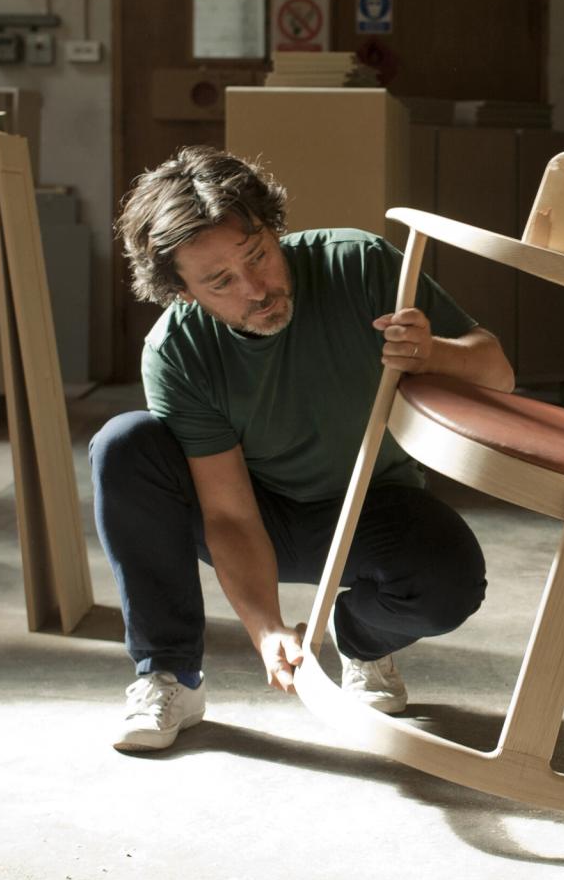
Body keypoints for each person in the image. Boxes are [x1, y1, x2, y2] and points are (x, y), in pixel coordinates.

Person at [90, 145, 514, 753]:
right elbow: (230, 513)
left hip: (373, 503)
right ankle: (169, 675)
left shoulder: (359, 264)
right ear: (182, 292)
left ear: (273, 228)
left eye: (259, 256)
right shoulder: (178, 350)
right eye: (221, 283)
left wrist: (436, 353)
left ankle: (363, 641)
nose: (256, 289)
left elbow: (497, 371)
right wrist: (265, 629)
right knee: (125, 444)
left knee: (448, 584)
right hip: (257, 512)